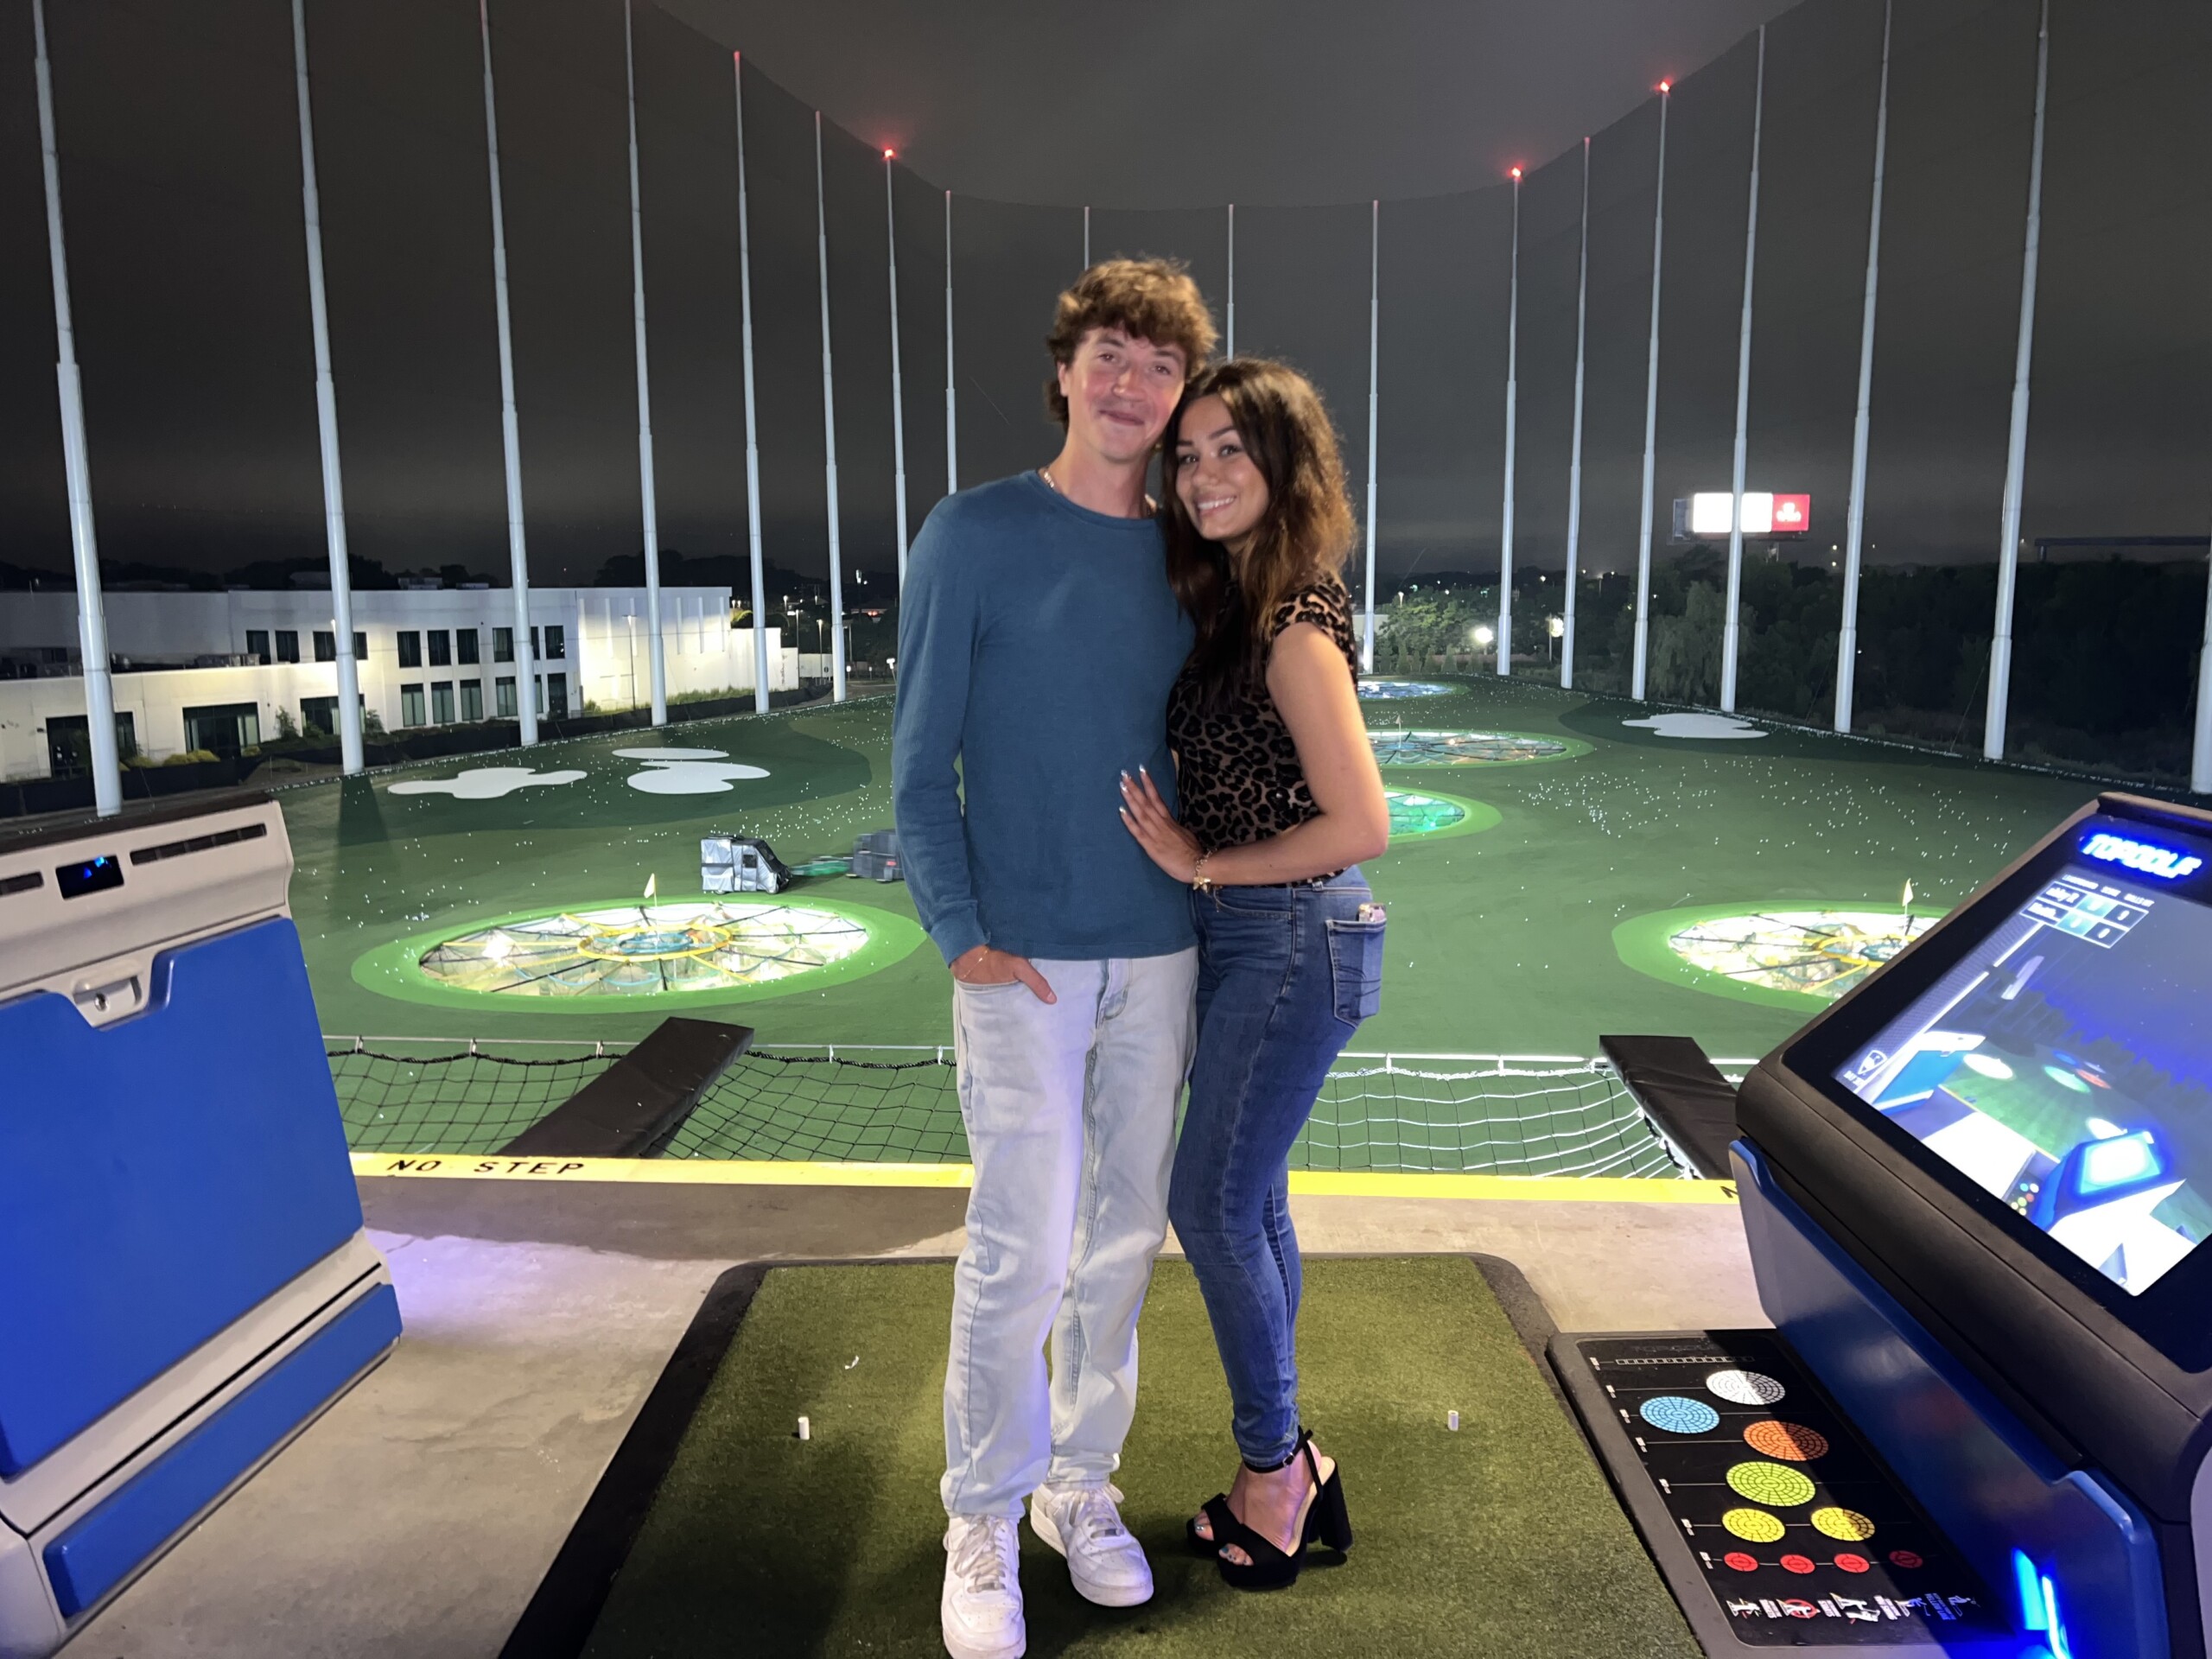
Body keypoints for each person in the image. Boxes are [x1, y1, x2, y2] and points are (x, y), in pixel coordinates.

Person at [893, 259, 1217, 1659]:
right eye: (1111, 355)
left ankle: (1077, 1485)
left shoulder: (1193, 553)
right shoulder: (972, 532)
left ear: (1181, 392)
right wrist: (960, 935)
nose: (1133, 383)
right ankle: (982, 1511)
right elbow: (920, 764)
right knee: (1021, 1246)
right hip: (1019, 961)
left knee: (1122, 1243)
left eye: (1160, 364)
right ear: (1066, 372)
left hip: (1161, 952)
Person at [1116, 356, 1390, 1591]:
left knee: (1214, 1207)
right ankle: (1295, 1458)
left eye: (1232, 449)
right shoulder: (1242, 600)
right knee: (1256, 1197)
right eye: (1188, 454)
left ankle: (1274, 1471)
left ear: (1286, 466)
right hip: (1265, 936)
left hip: (1289, 934)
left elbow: (1361, 822)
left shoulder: (1293, 624)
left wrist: (1203, 861)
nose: (1203, 474)